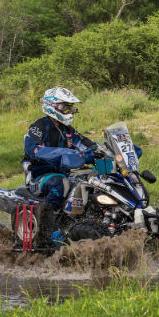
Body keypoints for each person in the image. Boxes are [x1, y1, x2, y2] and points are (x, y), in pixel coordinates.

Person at [22, 87, 99, 246]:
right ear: (52, 106)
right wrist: (64, 153)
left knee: (92, 180)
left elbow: (85, 143)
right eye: (65, 106)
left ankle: (92, 221)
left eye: (70, 107)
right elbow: (34, 150)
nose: (69, 110)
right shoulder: (38, 127)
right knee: (60, 183)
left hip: (63, 173)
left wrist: (101, 150)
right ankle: (46, 231)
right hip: (38, 175)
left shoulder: (67, 130)